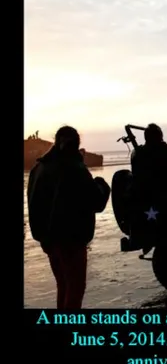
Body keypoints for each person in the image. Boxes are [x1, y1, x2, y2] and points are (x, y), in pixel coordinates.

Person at [27, 126, 110, 309]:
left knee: (63, 285)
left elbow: (33, 203)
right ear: (77, 144)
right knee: (75, 289)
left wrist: (42, 236)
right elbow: (96, 201)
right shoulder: (74, 168)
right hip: (71, 240)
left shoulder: (38, 168)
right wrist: (101, 184)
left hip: (48, 240)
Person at [131, 123, 167, 197]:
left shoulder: (137, 152)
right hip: (162, 193)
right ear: (159, 137)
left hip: (142, 193)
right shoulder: (162, 151)